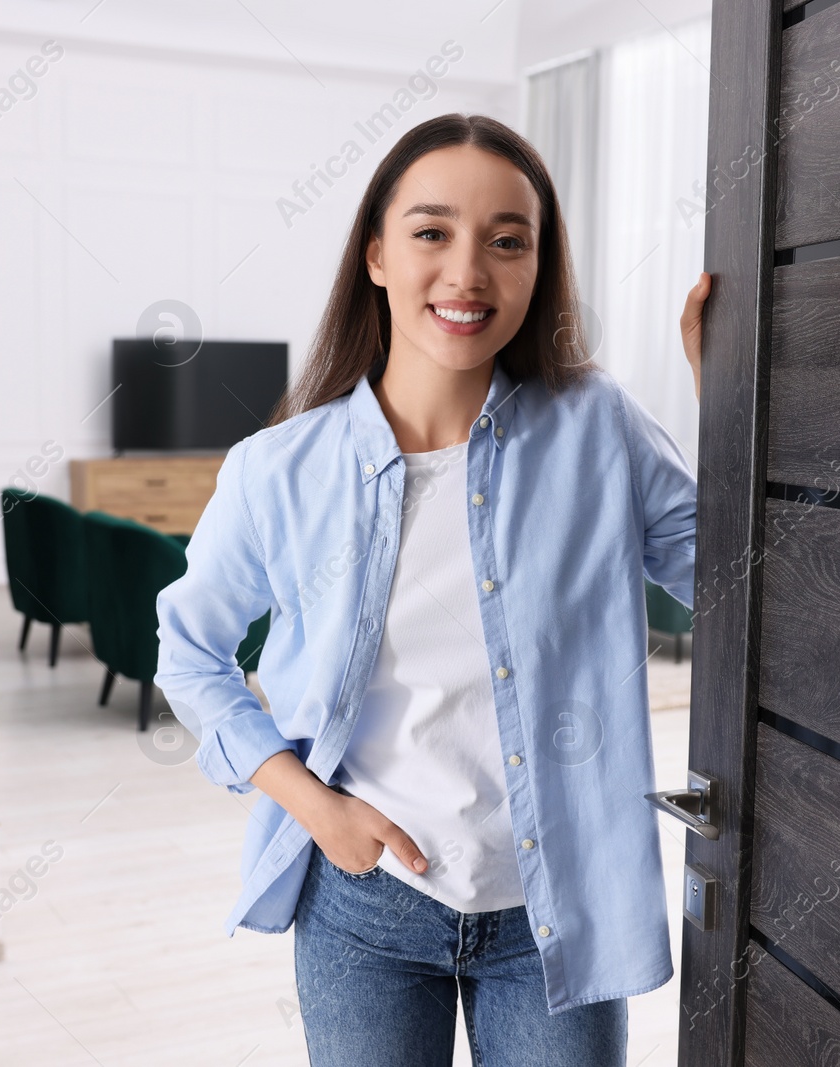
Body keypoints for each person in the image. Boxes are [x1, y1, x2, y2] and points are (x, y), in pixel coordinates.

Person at [155, 112, 711, 1067]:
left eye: (508, 241)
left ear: (540, 268)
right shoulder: (278, 469)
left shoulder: (597, 428)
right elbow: (189, 651)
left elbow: (739, 586)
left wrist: (725, 392)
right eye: (431, 232)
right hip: (364, 907)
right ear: (375, 253)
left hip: (558, 909)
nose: (468, 273)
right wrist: (314, 806)